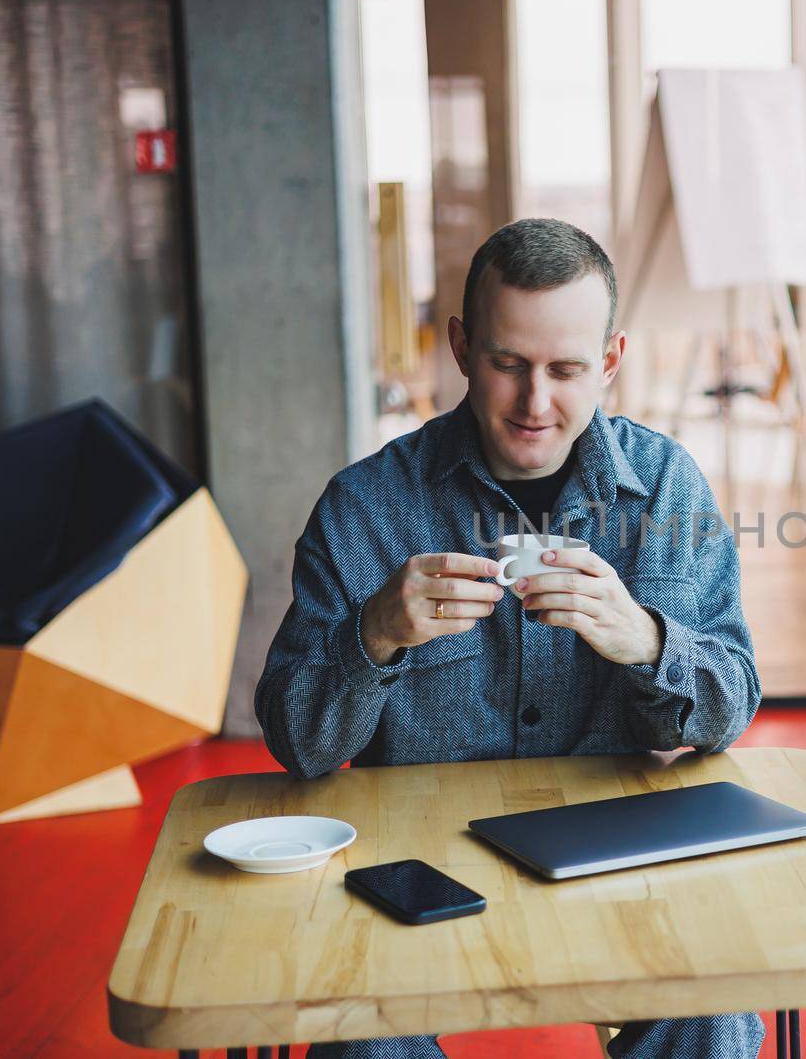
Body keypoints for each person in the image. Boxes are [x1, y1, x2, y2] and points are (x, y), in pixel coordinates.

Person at [255, 218, 765, 1059]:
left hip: (624, 865)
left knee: (708, 1016)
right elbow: (299, 745)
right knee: (363, 1048)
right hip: (418, 871)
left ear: (609, 359)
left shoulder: (668, 486)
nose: (535, 403)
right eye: (507, 364)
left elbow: (730, 706)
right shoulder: (364, 505)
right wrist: (374, 633)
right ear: (460, 347)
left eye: (566, 370)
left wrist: (643, 638)